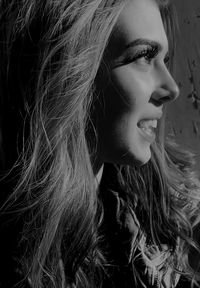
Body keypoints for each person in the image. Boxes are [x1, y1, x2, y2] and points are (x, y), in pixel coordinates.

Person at [1, 0, 200, 287]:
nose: (172, 88)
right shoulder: (17, 252)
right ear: (70, 71)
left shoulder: (175, 223)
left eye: (164, 60)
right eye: (144, 56)